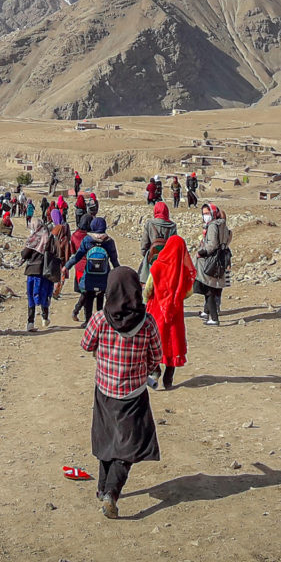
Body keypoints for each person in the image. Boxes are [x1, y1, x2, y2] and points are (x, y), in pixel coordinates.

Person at [80, 265, 161, 519]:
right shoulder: (147, 322)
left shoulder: (101, 318)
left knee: (107, 438)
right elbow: (157, 355)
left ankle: (103, 488)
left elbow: (86, 344)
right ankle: (111, 494)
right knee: (128, 445)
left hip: (105, 389)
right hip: (134, 393)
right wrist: (147, 366)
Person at [145, 234, 195, 390]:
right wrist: (176, 297)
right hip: (175, 312)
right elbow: (188, 292)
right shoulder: (183, 271)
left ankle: (155, 370)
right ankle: (169, 377)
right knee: (173, 342)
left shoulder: (158, 266)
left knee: (155, 341)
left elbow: (148, 290)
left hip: (156, 310)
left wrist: (150, 299)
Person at [65, 217, 118, 325]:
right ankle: (99, 321)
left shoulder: (87, 240)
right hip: (104, 275)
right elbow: (114, 260)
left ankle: (88, 321)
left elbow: (78, 255)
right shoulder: (109, 241)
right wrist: (119, 272)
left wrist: (67, 266)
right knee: (100, 298)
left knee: (88, 298)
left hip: (89, 275)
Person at [21, 217, 64, 330]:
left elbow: (24, 254)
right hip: (46, 271)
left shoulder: (33, 238)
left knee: (31, 296)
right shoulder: (50, 237)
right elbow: (56, 253)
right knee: (44, 294)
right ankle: (45, 318)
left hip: (32, 271)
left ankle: (30, 322)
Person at [193, 203, 232, 326]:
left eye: (207, 213)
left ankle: (214, 318)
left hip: (211, 260)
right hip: (222, 258)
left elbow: (212, 245)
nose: (205, 216)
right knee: (214, 287)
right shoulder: (223, 226)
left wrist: (201, 252)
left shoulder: (213, 226)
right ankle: (208, 312)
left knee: (208, 289)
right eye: (204, 214)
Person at [139, 201, 177, 271]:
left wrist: (148, 256)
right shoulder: (172, 226)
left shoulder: (149, 224)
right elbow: (174, 245)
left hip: (152, 260)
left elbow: (144, 245)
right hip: (167, 261)